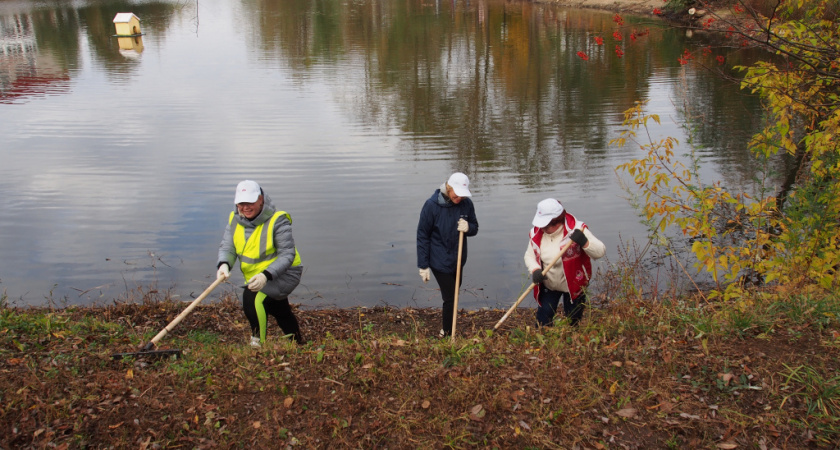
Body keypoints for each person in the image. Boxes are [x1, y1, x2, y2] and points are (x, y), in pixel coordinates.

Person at [216, 180, 305, 347]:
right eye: (241, 203)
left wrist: (265, 276)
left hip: (284, 273)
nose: (245, 207)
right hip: (257, 275)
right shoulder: (234, 219)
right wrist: (224, 264)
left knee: (252, 297)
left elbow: (287, 255)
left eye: (250, 202)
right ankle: (298, 343)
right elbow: (228, 247)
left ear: (261, 199)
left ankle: (258, 345)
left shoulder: (278, 220)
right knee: (279, 309)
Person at [524, 198, 605, 327]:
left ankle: (572, 335)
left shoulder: (577, 229)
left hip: (574, 285)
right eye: (541, 225)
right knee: (543, 317)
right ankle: (543, 335)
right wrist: (535, 269)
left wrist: (584, 242)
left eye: (546, 226)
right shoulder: (536, 233)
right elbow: (529, 256)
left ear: (558, 221)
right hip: (549, 284)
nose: (542, 229)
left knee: (573, 318)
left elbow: (600, 252)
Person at [417, 172, 479, 337]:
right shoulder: (431, 206)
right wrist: (423, 265)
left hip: (458, 259)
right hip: (439, 259)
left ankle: (449, 329)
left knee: (454, 295)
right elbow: (422, 235)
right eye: (456, 194)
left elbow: (475, 227)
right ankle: (447, 333)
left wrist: (468, 228)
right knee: (451, 297)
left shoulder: (466, 204)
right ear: (448, 188)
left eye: (462, 195)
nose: (459, 198)